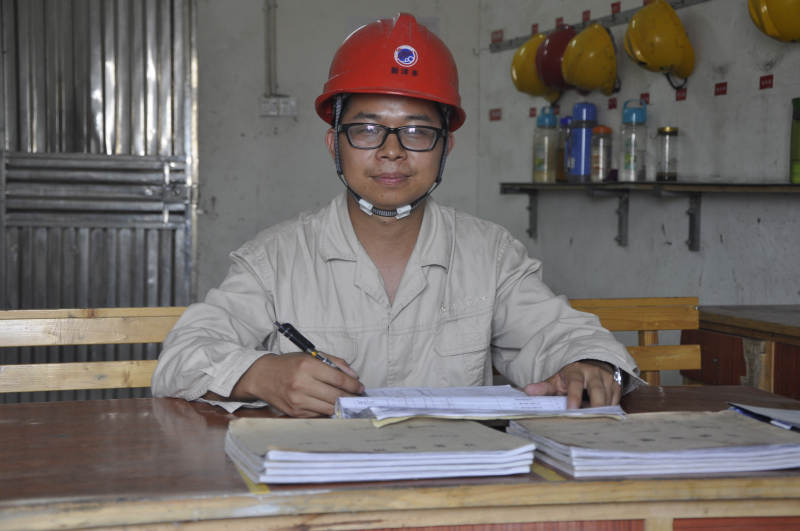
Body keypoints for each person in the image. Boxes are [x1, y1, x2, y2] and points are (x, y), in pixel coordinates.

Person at [151, 13, 640, 417]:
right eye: (366, 129)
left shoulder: (490, 255)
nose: (391, 152)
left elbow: (558, 334)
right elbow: (182, 356)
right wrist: (260, 374)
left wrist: (589, 365)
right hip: (320, 484)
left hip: (454, 482)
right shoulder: (274, 259)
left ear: (445, 147)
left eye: (416, 131)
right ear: (334, 145)